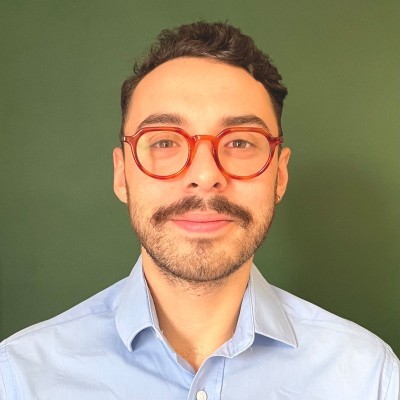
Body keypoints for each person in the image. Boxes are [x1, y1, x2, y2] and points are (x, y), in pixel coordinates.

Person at [0, 21, 398, 400]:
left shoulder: (368, 377)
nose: (205, 176)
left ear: (279, 175)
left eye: (240, 142)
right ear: (121, 175)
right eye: (164, 142)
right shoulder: (20, 378)